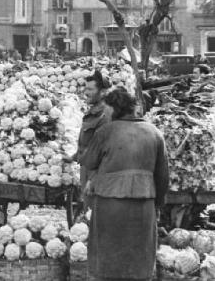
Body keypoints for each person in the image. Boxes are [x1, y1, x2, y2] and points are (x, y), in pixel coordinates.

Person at [81, 88, 169, 281]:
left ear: (114, 108)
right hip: (143, 204)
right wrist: (158, 205)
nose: (105, 113)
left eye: (107, 109)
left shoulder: (105, 132)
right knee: (139, 257)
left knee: (107, 258)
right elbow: (163, 178)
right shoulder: (155, 133)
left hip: (109, 204)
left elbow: (88, 162)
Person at [72, 70, 112, 209]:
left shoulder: (106, 115)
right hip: (87, 171)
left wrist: (93, 179)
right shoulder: (93, 111)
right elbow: (87, 144)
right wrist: (73, 157)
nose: (85, 92)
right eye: (85, 88)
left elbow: (105, 152)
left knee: (95, 214)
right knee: (89, 213)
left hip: (97, 176)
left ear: (102, 92)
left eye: (90, 89)